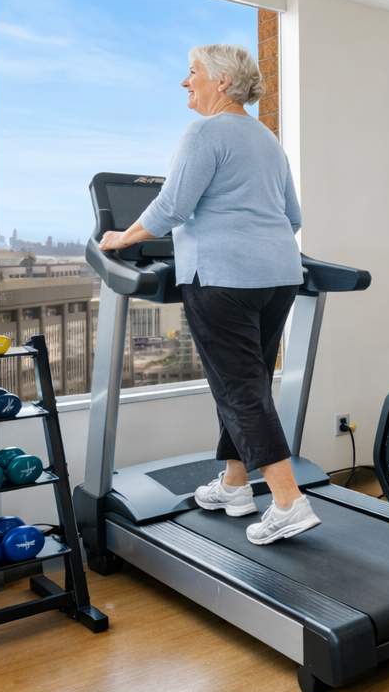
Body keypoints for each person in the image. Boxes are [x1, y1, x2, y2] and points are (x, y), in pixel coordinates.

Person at [97, 44, 315, 545]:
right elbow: (293, 218)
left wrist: (122, 237)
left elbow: (172, 207)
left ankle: (289, 503)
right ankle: (235, 485)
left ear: (222, 81)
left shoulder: (203, 131)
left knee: (239, 390)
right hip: (280, 275)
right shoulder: (267, 139)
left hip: (222, 278)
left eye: (192, 71)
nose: (184, 81)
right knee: (247, 383)